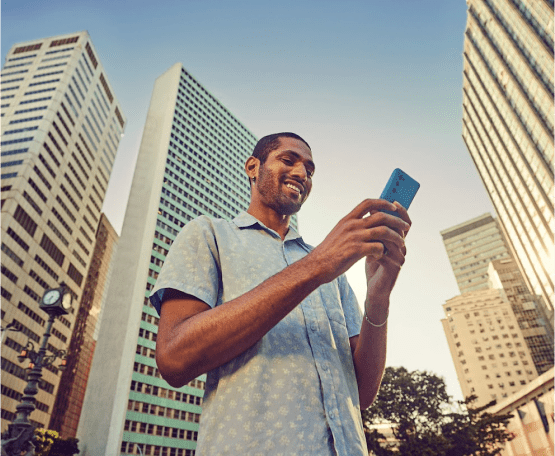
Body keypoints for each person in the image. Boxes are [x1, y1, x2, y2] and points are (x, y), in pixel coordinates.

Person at [150, 132, 411, 455]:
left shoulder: (333, 272)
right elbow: (174, 358)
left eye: (310, 170)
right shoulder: (209, 235)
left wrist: (378, 297)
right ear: (252, 167)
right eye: (288, 160)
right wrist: (317, 265)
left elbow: (363, 393)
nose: (302, 174)